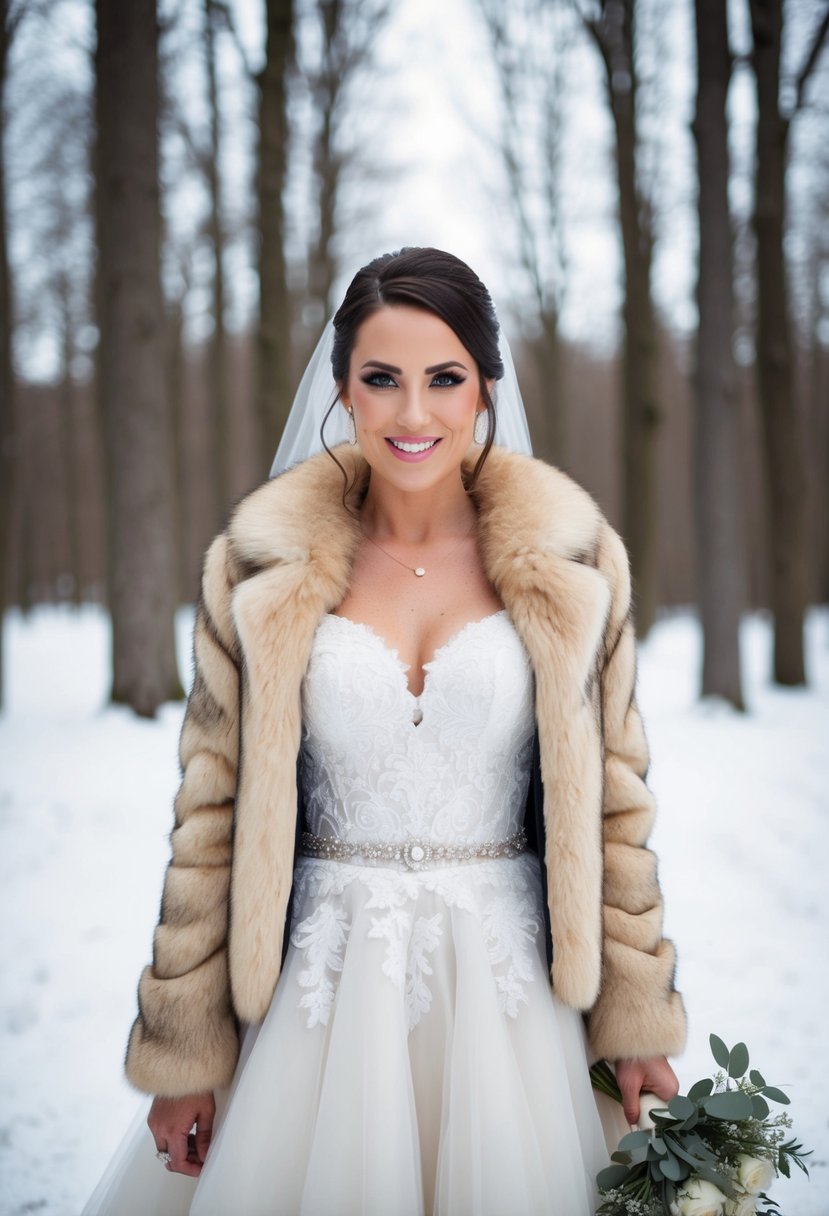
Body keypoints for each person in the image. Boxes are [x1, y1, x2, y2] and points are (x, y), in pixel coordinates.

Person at [82, 247, 686, 1216]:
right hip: (312, 1007)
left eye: (444, 378)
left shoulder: (573, 565)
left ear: (484, 386)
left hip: (510, 1004)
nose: (414, 414)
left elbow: (614, 807)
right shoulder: (255, 570)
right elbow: (211, 815)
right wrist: (184, 1047)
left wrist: (633, 1017)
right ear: (341, 387)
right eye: (382, 379)